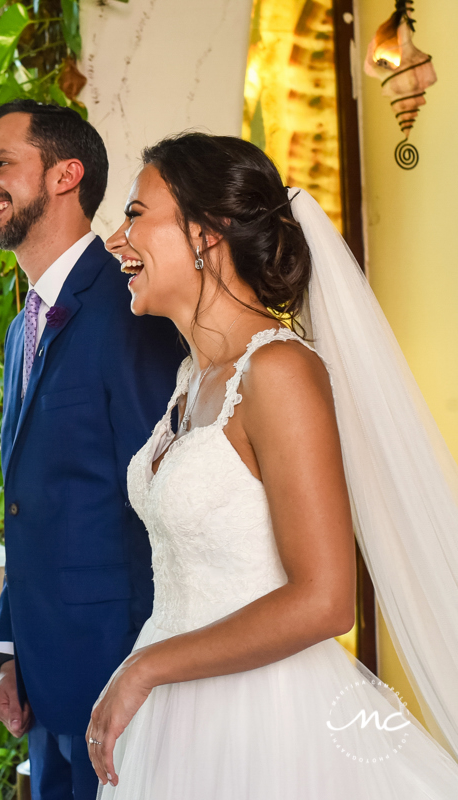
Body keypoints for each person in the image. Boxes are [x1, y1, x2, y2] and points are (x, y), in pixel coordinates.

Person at [91, 132, 458, 797]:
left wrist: (145, 668)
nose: (116, 240)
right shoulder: (190, 378)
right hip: (177, 713)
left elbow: (324, 600)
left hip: (267, 718)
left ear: (205, 234)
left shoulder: (280, 370)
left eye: (136, 215)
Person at [0, 100, 184, 800]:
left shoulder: (132, 308)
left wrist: (143, 670)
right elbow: (34, 507)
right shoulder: (20, 328)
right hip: (44, 680)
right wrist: (12, 655)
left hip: (118, 678)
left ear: (66, 175)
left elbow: (165, 505)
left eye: (0, 163)